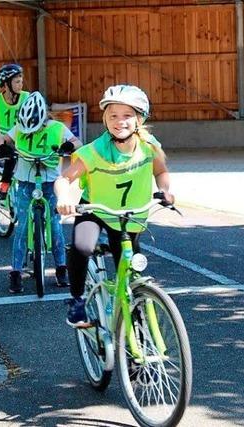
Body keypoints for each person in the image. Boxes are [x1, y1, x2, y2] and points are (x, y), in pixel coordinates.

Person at [55, 84, 174, 327]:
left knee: (131, 272)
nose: (120, 121)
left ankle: (135, 329)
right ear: (105, 119)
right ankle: (76, 300)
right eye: (113, 116)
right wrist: (64, 198)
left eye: (127, 115)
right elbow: (64, 178)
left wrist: (165, 191)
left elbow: (161, 171)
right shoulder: (94, 151)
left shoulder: (149, 146)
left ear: (140, 119)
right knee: (83, 246)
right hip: (96, 211)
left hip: (129, 217)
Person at [3, 91, 81, 293]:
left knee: (54, 224)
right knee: (21, 227)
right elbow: (6, 139)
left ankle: (61, 268)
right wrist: (6, 148)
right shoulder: (20, 126)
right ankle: (16, 272)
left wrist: (68, 146)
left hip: (49, 181)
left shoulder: (57, 128)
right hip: (26, 180)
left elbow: (77, 143)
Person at [0, 63, 29, 200]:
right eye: (17, 82)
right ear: (6, 84)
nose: (20, 85)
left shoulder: (26, 97)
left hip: (22, 138)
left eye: (21, 81)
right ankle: (4, 186)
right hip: (5, 141)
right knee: (10, 159)